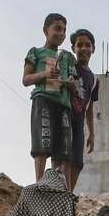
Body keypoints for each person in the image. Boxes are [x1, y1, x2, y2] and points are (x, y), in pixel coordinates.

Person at [22, 13, 77, 181]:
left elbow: (75, 86)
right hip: (43, 100)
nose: (61, 34)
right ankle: (39, 183)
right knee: (42, 143)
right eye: (57, 29)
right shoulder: (36, 52)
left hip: (64, 105)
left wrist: (70, 84)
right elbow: (26, 79)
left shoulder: (68, 57)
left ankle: (57, 186)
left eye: (64, 31)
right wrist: (45, 74)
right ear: (46, 30)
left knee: (63, 150)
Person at [66, 28, 99, 191]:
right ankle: (60, 192)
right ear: (73, 48)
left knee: (77, 162)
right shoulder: (68, 66)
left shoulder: (93, 79)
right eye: (79, 45)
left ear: (93, 48)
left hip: (78, 123)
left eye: (87, 45)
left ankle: (68, 193)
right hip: (64, 117)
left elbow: (89, 107)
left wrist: (92, 133)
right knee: (62, 158)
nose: (83, 49)